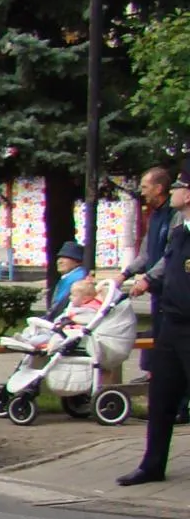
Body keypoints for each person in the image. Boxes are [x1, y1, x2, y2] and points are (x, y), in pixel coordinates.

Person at [116, 161, 190, 486]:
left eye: (179, 186)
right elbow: (162, 265)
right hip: (171, 323)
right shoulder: (180, 231)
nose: (173, 190)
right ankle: (152, 465)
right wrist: (141, 278)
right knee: (161, 397)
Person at [48, 241, 90, 317]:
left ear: (77, 262)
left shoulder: (76, 278)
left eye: (65, 258)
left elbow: (59, 306)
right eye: (59, 258)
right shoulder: (71, 276)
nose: (59, 261)